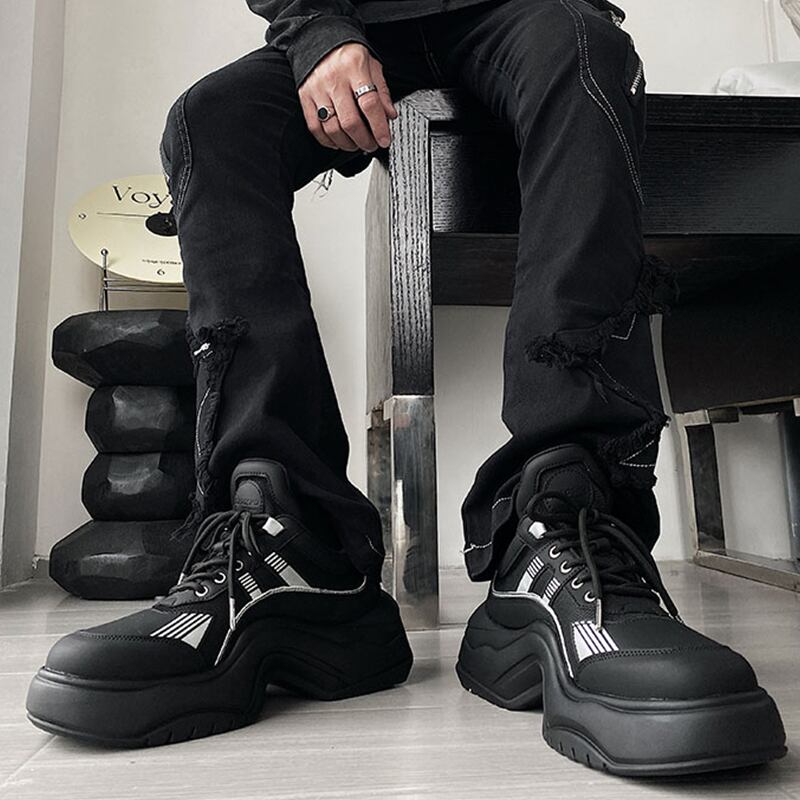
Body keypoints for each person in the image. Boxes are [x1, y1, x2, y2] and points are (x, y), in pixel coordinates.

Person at [26, 0, 786, 774]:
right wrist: (317, 33)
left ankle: (566, 515)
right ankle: (287, 544)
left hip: (519, 12)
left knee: (585, 54)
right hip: (359, 17)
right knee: (211, 119)